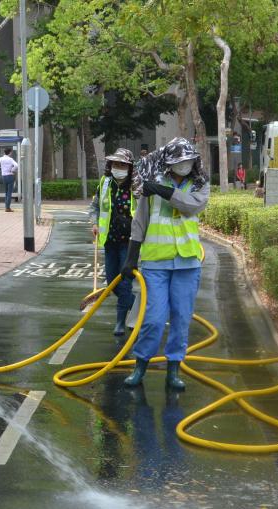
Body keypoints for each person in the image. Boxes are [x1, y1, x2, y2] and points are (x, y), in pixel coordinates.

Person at [121, 138, 209, 390]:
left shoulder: (200, 185)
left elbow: (192, 207)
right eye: (179, 161)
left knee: (181, 319)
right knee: (154, 319)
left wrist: (161, 191)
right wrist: (130, 259)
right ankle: (140, 367)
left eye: (188, 161)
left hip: (187, 264)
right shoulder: (153, 183)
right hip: (155, 263)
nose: (184, 165)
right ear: (169, 163)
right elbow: (140, 223)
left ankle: (174, 370)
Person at [89, 148, 139, 335]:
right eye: (116, 164)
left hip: (130, 243)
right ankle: (135, 305)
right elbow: (95, 207)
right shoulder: (105, 183)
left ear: (130, 167)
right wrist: (94, 223)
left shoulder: (136, 186)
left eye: (123, 165)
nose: (119, 167)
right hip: (109, 241)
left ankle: (120, 322)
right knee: (112, 281)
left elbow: (143, 211)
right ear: (111, 166)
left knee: (125, 281)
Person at [0, 147, 19, 212]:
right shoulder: (10, 159)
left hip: (4, 176)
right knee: (9, 193)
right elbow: (16, 165)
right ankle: (7, 207)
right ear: (9, 152)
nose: (11, 153)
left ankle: (6, 206)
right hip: (10, 176)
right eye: (11, 152)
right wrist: (12, 170)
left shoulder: (1, 159)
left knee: (6, 192)